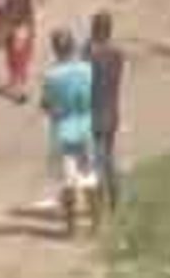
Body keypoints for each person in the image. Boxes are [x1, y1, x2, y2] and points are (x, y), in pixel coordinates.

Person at [41, 27, 101, 236]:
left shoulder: (51, 76)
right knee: (89, 176)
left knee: (67, 181)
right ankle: (96, 223)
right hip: (85, 127)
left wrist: (52, 109)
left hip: (63, 130)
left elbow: (46, 104)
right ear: (73, 47)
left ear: (55, 50)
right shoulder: (87, 69)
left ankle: (71, 226)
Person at [86, 10, 126, 209]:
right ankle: (115, 196)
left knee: (96, 159)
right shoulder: (117, 54)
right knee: (109, 155)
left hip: (94, 112)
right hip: (112, 110)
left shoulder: (89, 56)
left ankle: (99, 200)